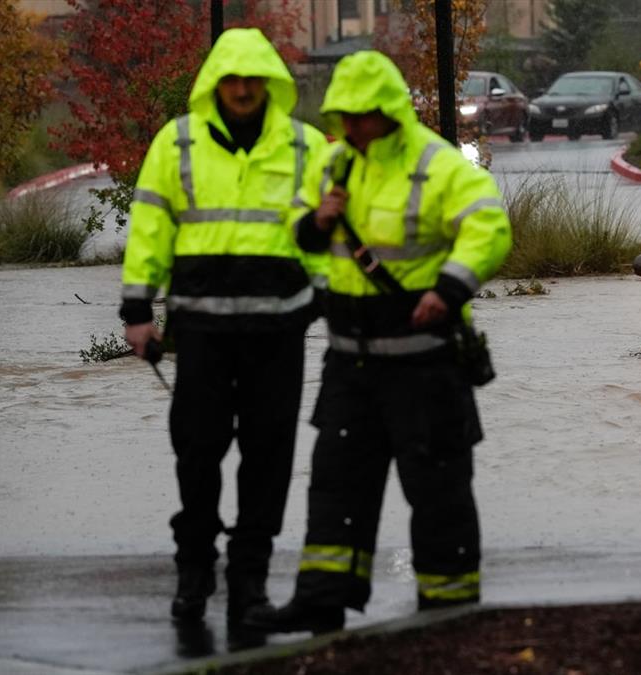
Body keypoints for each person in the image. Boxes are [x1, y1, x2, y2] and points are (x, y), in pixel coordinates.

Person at [244, 50, 512, 634]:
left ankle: (449, 605)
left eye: (364, 115)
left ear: (389, 110)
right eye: (345, 116)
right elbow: (298, 236)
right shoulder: (333, 164)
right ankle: (321, 600)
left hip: (426, 367)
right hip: (350, 365)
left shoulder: (436, 164)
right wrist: (316, 222)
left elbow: (488, 224)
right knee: (335, 489)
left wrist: (450, 287)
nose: (354, 126)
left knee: (439, 491)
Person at [119, 28, 327, 631]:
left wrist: (324, 300)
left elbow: (329, 233)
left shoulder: (305, 145)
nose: (241, 89)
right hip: (202, 332)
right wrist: (137, 311)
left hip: (278, 332)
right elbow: (151, 226)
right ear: (216, 83)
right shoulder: (176, 142)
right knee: (197, 453)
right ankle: (194, 574)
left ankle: (249, 587)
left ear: (268, 84)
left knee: (268, 459)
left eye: (251, 79)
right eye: (231, 79)